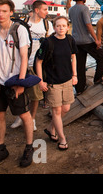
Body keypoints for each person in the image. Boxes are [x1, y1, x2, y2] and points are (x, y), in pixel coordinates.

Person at [0, 0, 34, 169]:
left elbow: (24, 57)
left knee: (24, 115)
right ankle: (0, 148)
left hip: (14, 80)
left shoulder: (19, 30)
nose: (0, 14)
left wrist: (20, 82)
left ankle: (29, 147)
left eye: (4, 11)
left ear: (11, 12)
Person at [36, 16, 78, 151]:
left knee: (66, 109)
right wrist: (40, 80)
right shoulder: (48, 42)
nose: (61, 28)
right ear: (54, 27)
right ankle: (62, 138)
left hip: (67, 80)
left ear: (68, 27)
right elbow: (38, 61)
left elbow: (73, 56)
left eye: (64, 26)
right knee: (57, 110)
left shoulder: (70, 40)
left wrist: (74, 74)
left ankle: (50, 128)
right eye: (58, 26)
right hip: (53, 82)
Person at [11, 0, 54, 131]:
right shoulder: (23, 24)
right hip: (22, 63)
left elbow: (51, 43)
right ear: (36, 10)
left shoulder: (47, 25)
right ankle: (21, 116)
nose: (47, 12)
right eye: (45, 9)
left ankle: (32, 118)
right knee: (20, 92)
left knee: (35, 95)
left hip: (38, 64)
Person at [68, 0, 103, 95]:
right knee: (102, 55)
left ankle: (80, 89)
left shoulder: (71, 9)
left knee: (80, 65)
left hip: (75, 41)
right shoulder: (84, 9)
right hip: (86, 40)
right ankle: (98, 78)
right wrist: (96, 40)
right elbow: (88, 24)